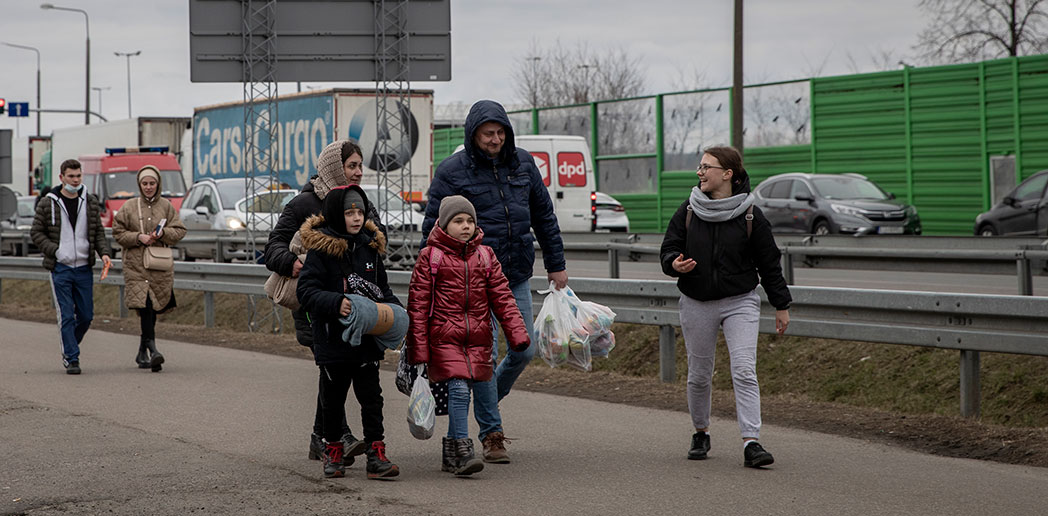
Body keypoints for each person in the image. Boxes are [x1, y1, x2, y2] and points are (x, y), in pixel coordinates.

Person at [421, 99, 567, 462]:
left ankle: (482, 399)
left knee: (524, 348)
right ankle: (492, 433)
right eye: (488, 133)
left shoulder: (524, 165)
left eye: (501, 133)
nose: (495, 139)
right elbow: (431, 229)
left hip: (515, 272)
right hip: (471, 279)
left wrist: (556, 264)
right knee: (482, 355)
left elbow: (544, 217)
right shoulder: (453, 171)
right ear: (474, 135)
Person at [659, 146, 792, 468]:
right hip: (696, 301)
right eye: (699, 167)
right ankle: (701, 432)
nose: (699, 172)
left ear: (728, 174)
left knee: (744, 369)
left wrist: (781, 304)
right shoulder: (689, 210)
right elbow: (668, 250)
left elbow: (770, 264)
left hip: (740, 301)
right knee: (700, 375)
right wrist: (674, 264)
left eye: (706, 167)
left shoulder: (750, 215)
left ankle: (752, 442)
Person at [264, 140, 381, 464]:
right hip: (315, 300)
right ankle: (339, 433)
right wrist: (293, 262)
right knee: (333, 364)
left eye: (360, 166)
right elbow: (272, 247)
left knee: (334, 367)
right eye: (351, 166)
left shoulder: (360, 203)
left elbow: (375, 238)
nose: (358, 172)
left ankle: (321, 437)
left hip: (355, 302)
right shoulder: (303, 204)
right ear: (334, 167)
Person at [407, 196, 530, 476]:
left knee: (468, 387)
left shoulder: (485, 256)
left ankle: (451, 451)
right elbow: (418, 305)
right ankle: (463, 450)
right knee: (460, 389)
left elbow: (503, 298)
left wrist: (517, 333)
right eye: (458, 221)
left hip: (478, 338)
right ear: (444, 225)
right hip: (444, 337)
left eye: (470, 221)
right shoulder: (431, 256)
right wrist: (419, 349)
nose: (465, 226)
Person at [296, 185, 401, 480]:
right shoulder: (321, 250)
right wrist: (335, 303)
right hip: (333, 341)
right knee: (333, 399)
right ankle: (333, 452)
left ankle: (376, 455)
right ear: (335, 214)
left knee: (372, 398)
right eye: (349, 212)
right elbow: (306, 291)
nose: (356, 218)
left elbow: (384, 289)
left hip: (367, 341)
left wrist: (396, 313)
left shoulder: (370, 247)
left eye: (360, 212)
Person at [30, 159, 112, 375]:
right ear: (62, 178)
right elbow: (36, 233)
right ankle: (72, 358)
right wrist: (56, 251)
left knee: (86, 316)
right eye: (71, 176)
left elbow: (98, 233)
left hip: (84, 267)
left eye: (78, 176)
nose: (75, 180)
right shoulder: (48, 203)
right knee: (66, 315)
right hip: (61, 268)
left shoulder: (91, 202)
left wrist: (104, 253)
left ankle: (69, 345)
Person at [112, 165, 188, 372]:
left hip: (158, 266)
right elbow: (117, 232)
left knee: (153, 308)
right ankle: (153, 349)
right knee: (144, 304)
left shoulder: (166, 206)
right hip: (135, 266)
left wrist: (162, 235)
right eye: (144, 183)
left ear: (158, 184)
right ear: (139, 184)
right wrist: (138, 237)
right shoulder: (128, 207)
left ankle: (141, 352)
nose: (148, 187)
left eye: (152, 183)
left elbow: (180, 230)